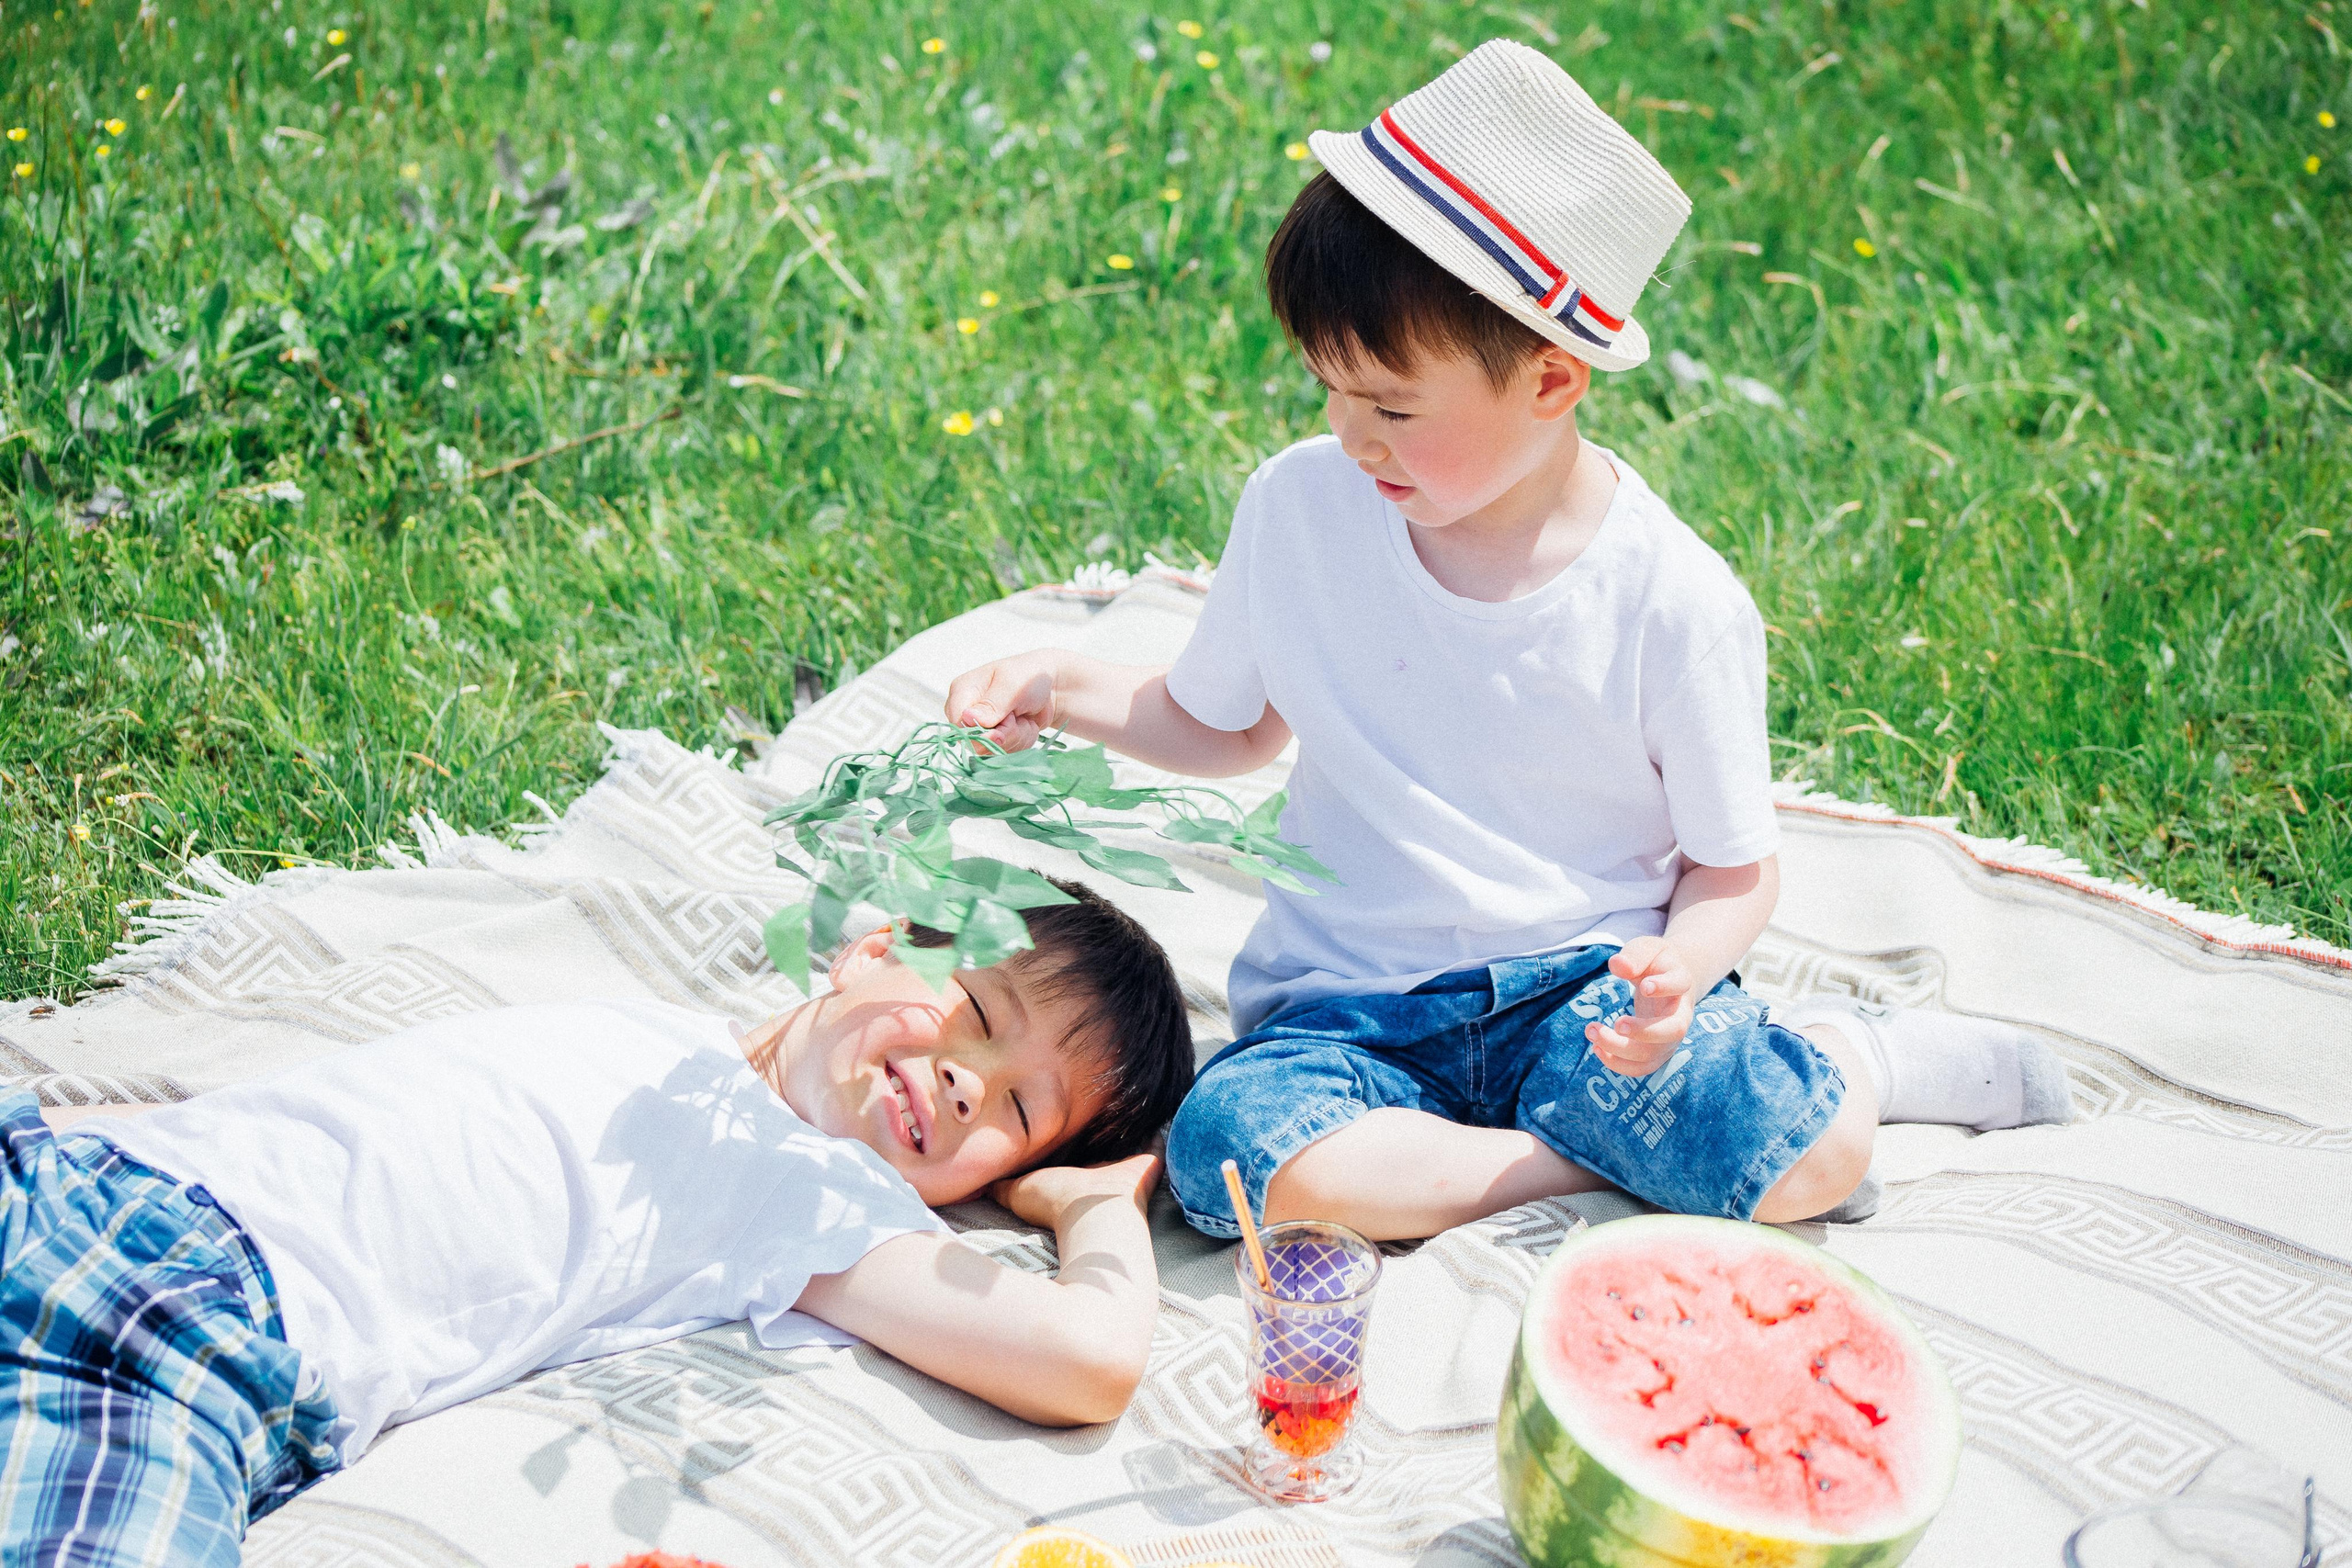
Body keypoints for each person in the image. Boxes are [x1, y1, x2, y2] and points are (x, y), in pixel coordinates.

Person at [944, 40, 2068, 1247]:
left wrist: (1682, 974)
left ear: (1550, 381)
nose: (1349, 435)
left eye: (1390, 407)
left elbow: (1733, 868)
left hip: (1584, 1004)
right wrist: (1061, 686)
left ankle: (1860, 1058)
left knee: (1812, 1153)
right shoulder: (1301, 508)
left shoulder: (1672, 604)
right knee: (1226, 1149)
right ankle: (1582, 1170)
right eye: (1328, 389)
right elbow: (1223, 723)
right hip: (1347, 1015)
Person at [0, 880, 1192, 1566]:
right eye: (975, 1007)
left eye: (1019, 1110)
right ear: (874, 948)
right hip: (75, 1177)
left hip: (189, 1353)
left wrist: (1094, 1209)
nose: (966, 1078)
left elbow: (1086, 1360)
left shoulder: (810, 1198)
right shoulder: (650, 1028)